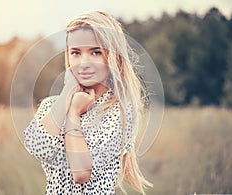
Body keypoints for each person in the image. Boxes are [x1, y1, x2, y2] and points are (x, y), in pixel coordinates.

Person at [24, 11, 152, 194]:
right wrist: (68, 92)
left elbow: (81, 173)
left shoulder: (121, 112)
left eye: (95, 52)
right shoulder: (51, 105)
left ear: (113, 57)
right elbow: (36, 146)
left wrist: (73, 114)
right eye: (75, 53)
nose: (84, 62)